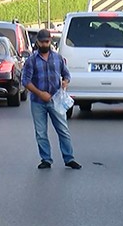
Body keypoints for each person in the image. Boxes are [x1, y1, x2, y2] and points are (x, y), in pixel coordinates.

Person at [22, 29, 81, 170]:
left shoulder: (57, 58)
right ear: (37, 42)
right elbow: (25, 81)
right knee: (41, 132)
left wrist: (65, 82)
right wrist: (40, 93)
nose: (44, 44)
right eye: (41, 42)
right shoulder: (31, 61)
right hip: (38, 101)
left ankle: (69, 158)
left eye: (47, 42)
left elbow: (66, 74)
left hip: (55, 101)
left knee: (63, 130)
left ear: (50, 42)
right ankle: (46, 159)